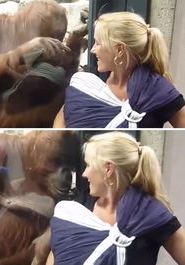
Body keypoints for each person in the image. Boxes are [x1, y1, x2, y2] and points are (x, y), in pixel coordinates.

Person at [48, 131, 185, 265]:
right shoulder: (79, 209)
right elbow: (57, 254)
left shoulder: (149, 214)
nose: (84, 173)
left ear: (108, 169)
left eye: (89, 165)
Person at [53, 12, 185, 128]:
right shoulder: (89, 83)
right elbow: (62, 120)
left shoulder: (157, 90)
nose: (93, 49)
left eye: (98, 43)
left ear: (119, 50)